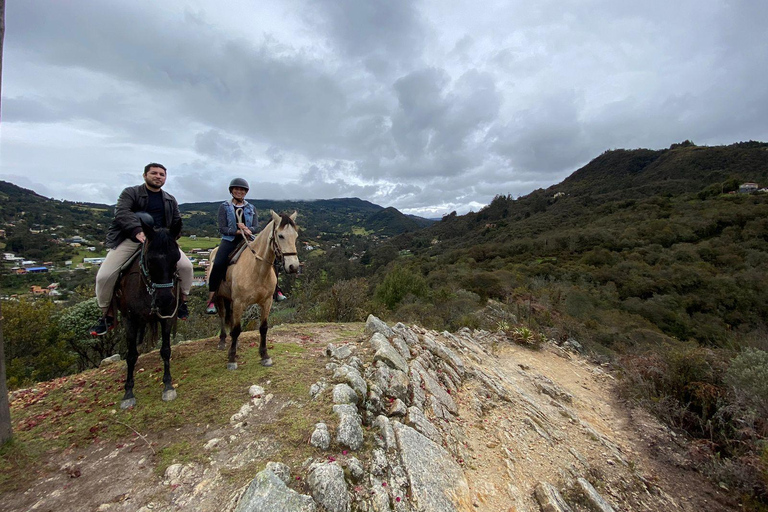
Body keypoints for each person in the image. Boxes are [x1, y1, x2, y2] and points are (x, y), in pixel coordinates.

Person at [90, 163, 194, 335]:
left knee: (186, 267)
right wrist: (137, 231)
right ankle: (106, 315)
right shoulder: (130, 193)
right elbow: (122, 213)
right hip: (132, 239)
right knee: (104, 276)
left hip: (160, 241)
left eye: (162, 174)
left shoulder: (169, 199)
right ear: (145, 175)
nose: (158, 176)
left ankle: (182, 302)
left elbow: (176, 221)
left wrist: (170, 237)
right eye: (154, 173)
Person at [205, 178, 287, 314]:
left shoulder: (251, 208)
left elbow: (255, 226)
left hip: (248, 239)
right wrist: (237, 231)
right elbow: (223, 228)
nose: (239, 191)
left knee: (271, 259)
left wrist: (249, 230)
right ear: (231, 191)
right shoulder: (224, 207)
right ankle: (212, 298)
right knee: (219, 263)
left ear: (246, 192)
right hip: (230, 240)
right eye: (236, 189)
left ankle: (276, 289)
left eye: (242, 190)